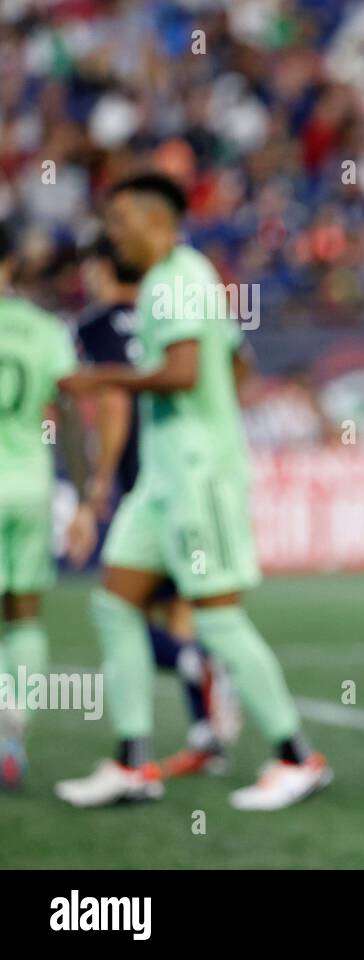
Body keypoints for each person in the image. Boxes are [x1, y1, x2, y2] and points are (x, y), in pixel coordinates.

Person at [55, 173, 331, 809]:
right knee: (114, 603)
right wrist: (214, 414)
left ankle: (297, 757)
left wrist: (100, 380)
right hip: (164, 477)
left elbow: (182, 372)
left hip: (196, 475)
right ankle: (132, 764)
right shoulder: (178, 277)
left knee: (217, 617)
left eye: (120, 220)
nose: (112, 234)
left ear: (155, 220)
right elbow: (234, 362)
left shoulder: (177, 279)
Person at [75, 234, 242, 777]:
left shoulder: (97, 325)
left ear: (103, 267)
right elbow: (236, 367)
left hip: (146, 483)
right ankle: (205, 731)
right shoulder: (170, 302)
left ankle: (191, 687)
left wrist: (98, 483)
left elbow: (116, 401)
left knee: (127, 605)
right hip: (191, 473)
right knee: (182, 609)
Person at [0, 222, 93, 787]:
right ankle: (14, 731)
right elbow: (75, 414)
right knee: (24, 613)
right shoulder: (44, 327)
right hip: (31, 485)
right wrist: (83, 499)